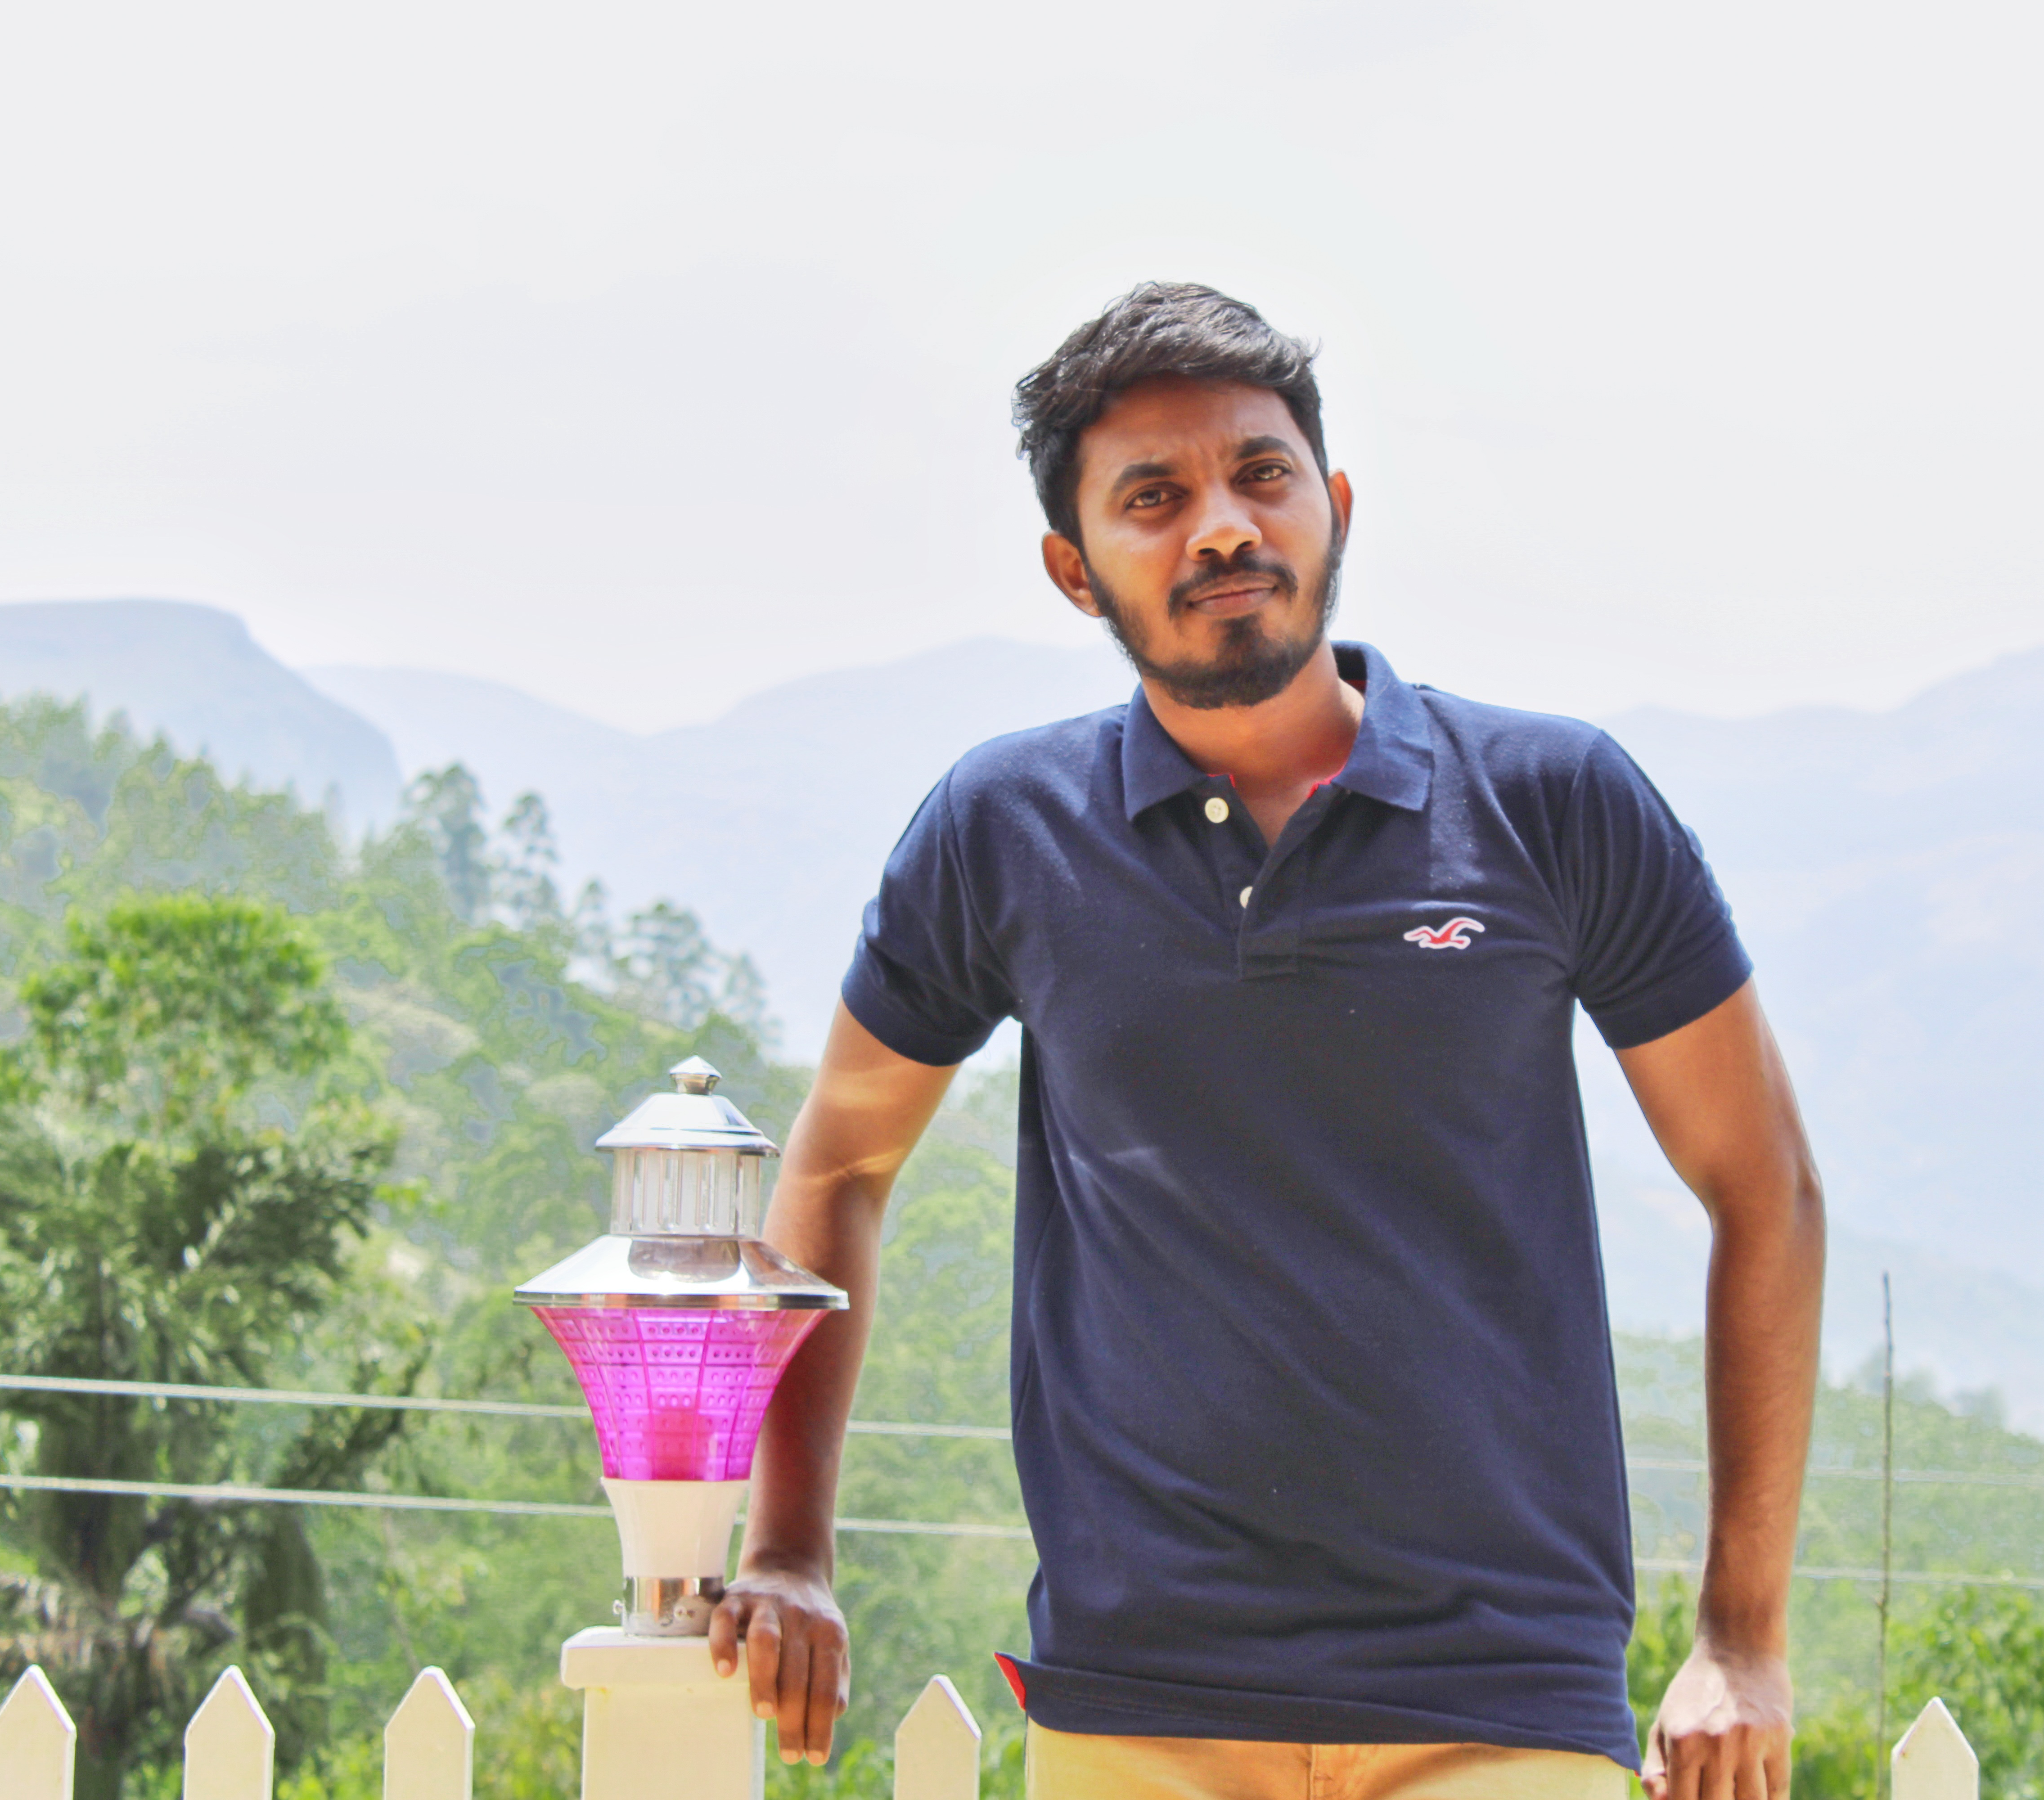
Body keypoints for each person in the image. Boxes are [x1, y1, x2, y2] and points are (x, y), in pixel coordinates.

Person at [709, 283, 1825, 1800]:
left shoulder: (1556, 804)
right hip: (1140, 1706)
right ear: (1073, 569)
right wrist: (788, 1546)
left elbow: (1765, 1189)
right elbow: (840, 1160)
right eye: (1153, 498)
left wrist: (1742, 1637)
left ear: (1334, 506)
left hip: (1501, 1701)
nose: (1223, 527)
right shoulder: (1003, 831)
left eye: (1261, 474)